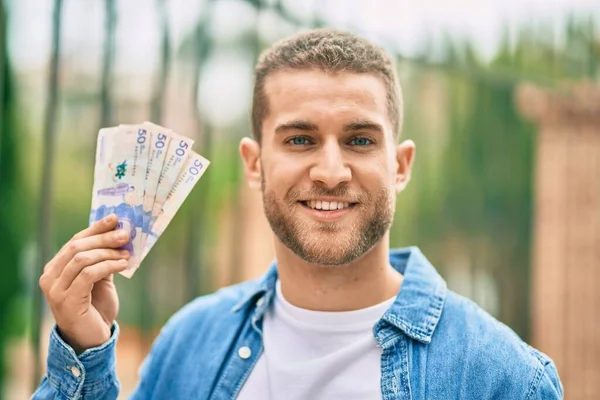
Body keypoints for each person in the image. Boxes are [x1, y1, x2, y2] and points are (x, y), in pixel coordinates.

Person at [33, 29, 563, 400]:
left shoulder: (503, 378)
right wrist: (84, 350)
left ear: (400, 166)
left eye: (359, 139)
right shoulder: (189, 344)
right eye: (301, 139)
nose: (331, 171)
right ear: (255, 163)